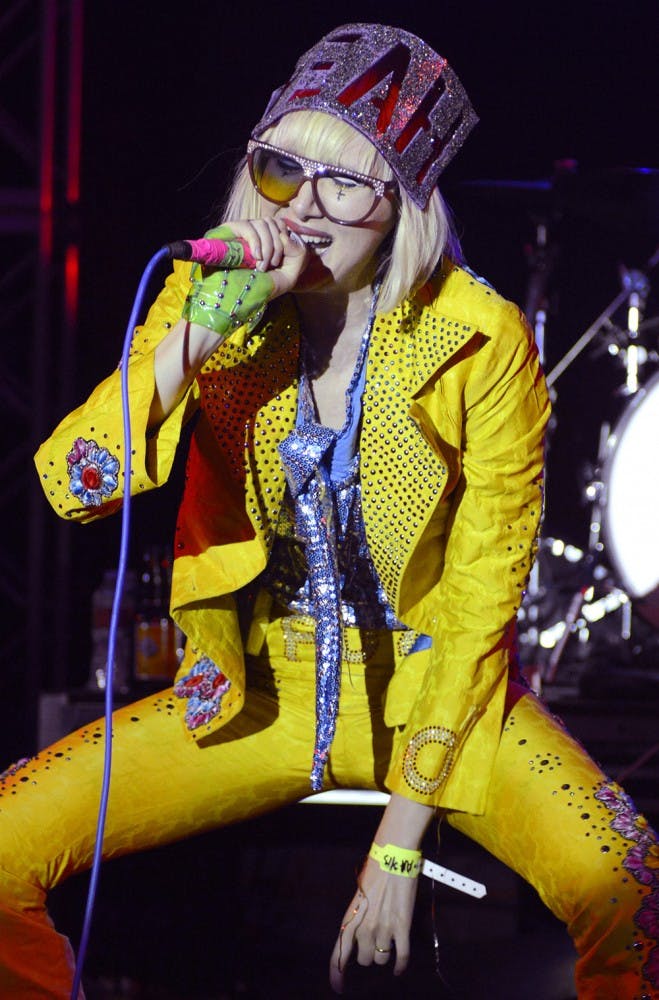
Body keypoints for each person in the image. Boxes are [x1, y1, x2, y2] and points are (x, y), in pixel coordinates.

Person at [1, 22, 657, 999]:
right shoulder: (204, 297)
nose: (303, 208)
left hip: (433, 691)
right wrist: (193, 337)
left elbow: (481, 601)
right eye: (279, 171)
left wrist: (396, 851)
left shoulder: (478, 340)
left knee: (626, 877)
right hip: (249, 691)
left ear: (398, 208)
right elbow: (73, 484)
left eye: (342, 182)